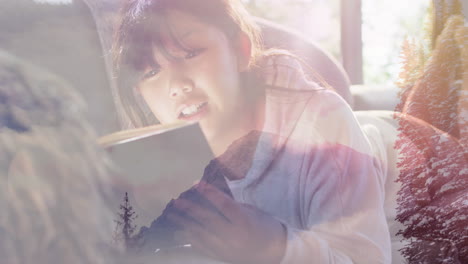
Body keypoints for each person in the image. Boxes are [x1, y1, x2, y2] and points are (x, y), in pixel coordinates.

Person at [112, 0, 392, 263]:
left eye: (190, 53)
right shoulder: (163, 159)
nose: (176, 85)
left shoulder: (321, 128)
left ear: (240, 51)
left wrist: (275, 247)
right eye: (150, 72)